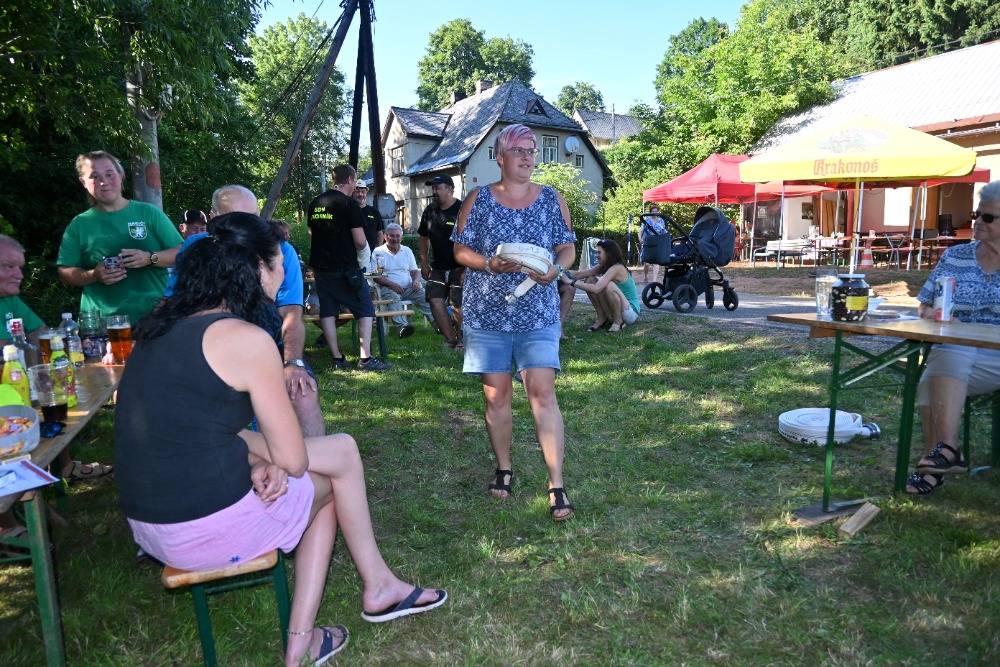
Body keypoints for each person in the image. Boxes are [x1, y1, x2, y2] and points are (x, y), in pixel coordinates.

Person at [114, 213, 446, 665]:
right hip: (200, 531)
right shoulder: (244, 338)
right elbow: (293, 459)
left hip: (150, 528)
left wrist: (258, 458)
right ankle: (323, 626)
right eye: (280, 262)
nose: (285, 272)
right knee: (339, 460)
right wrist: (272, 458)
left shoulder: (158, 326)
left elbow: (200, 427)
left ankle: (378, 587)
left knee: (331, 459)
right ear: (257, 268)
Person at [452, 124, 577, 521]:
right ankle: (504, 468)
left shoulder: (552, 198)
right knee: (496, 396)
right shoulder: (478, 198)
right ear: (500, 156)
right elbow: (460, 250)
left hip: (537, 311)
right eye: (519, 150)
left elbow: (567, 248)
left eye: (532, 150)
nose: (527, 156)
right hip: (486, 312)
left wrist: (556, 269)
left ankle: (556, 484)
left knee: (542, 392)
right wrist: (488, 263)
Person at [167, 185, 324, 437]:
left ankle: (306, 461)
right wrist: (144, 339)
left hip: (270, 343)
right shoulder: (198, 248)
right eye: (235, 218)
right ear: (215, 218)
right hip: (213, 346)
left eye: (252, 218)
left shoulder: (279, 249)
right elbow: (175, 303)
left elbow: (291, 313)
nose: (247, 227)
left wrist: (293, 362)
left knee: (302, 393)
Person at [1, 235, 111, 548]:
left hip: (15, 386)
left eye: (21, 268)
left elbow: (40, 334)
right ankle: (6, 525)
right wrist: (22, 347)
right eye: (9, 267)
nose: (19, 275)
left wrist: (25, 347)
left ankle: (65, 467)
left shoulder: (9, 299)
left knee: (54, 393)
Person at [905, 180, 1000, 495]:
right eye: (977, 215)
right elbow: (925, 304)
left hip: (996, 356)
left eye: (988, 217)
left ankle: (939, 462)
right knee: (950, 351)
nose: (978, 222)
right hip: (957, 350)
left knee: (932, 375)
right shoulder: (956, 255)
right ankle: (946, 451)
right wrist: (935, 313)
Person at [57, 151, 183, 329]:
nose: (104, 182)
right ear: (83, 182)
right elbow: (64, 272)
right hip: (101, 325)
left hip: (155, 317)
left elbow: (183, 253)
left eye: (109, 174)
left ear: (120, 175)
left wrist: (149, 258)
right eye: (94, 176)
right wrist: (94, 275)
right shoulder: (79, 224)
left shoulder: (148, 213)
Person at [308, 165, 392, 372]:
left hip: (321, 266)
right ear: (350, 180)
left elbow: (312, 234)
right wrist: (362, 254)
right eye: (355, 181)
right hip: (346, 267)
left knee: (328, 311)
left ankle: (337, 359)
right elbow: (361, 242)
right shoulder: (349, 204)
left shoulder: (316, 203)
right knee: (366, 309)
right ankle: (366, 359)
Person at [419, 174, 465, 348]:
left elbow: (475, 241)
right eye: (433, 188)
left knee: (457, 304)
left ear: (450, 189)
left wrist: (468, 269)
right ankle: (450, 339)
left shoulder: (462, 209)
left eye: (437, 188)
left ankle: (462, 340)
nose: (434, 191)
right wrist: (424, 264)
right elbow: (423, 237)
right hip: (438, 267)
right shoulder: (430, 210)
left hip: (460, 266)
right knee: (434, 299)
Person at [559, 239, 640, 333]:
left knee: (609, 285)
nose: (596, 255)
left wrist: (571, 282)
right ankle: (602, 318)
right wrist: (559, 271)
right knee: (590, 280)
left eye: (599, 252)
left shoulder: (617, 268)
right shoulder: (604, 266)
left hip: (629, 313)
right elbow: (579, 274)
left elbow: (596, 289)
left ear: (608, 254)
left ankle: (618, 321)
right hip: (615, 309)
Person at [371, 223, 433, 339]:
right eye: (392, 236)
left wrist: (416, 281)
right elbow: (376, 276)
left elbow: (414, 271)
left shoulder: (407, 251)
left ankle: (438, 324)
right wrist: (391, 284)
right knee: (393, 298)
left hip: (408, 288)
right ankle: (402, 327)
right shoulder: (378, 252)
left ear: (401, 237)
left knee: (423, 295)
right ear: (385, 236)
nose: (395, 239)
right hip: (387, 288)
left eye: (398, 236)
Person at [353, 181, 384, 252]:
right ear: (353, 192)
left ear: (366, 193)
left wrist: (378, 251)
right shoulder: (348, 211)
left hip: (371, 253)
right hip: (352, 254)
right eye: (357, 191)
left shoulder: (374, 212)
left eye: (363, 191)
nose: (360, 194)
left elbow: (379, 233)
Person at [640, 204, 667, 283]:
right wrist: (640, 238)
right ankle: (646, 276)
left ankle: (654, 281)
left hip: (657, 242)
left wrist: (668, 237)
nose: (654, 212)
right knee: (647, 263)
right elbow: (641, 231)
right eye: (653, 211)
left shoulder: (661, 221)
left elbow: (663, 231)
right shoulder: (646, 220)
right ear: (650, 212)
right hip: (648, 242)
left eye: (656, 211)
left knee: (656, 262)